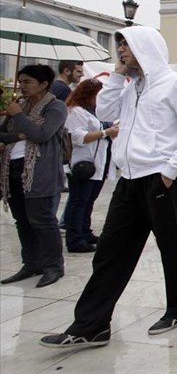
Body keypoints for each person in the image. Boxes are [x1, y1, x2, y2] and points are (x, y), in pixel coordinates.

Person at [40, 26, 177, 349]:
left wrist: (170, 173)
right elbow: (104, 112)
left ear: (145, 47)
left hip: (159, 178)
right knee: (109, 252)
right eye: (119, 46)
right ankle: (91, 325)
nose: (121, 51)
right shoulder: (130, 88)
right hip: (128, 181)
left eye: (127, 45)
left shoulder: (175, 84)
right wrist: (116, 76)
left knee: (172, 248)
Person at [0, 64, 67, 288]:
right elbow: (3, 134)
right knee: (22, 221)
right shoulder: (18, 106)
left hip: (41, 172)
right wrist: (19, 130)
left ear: (44, 83)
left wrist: (19, 118)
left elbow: (41, 134)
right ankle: (31, 263)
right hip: (13, 169)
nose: (22, 86)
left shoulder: (55, 107)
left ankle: (53, 266)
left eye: (27, 82)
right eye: (20, 82)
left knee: (43, 220)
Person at [62, 79, 119, 253]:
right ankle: (74, 239)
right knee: (78, 202)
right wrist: (105, 133)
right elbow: (77, 137)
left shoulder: (96, 113)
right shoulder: (75, 112)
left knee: (88, 201)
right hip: (82, 164)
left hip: (98, 164)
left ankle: (85, 232)